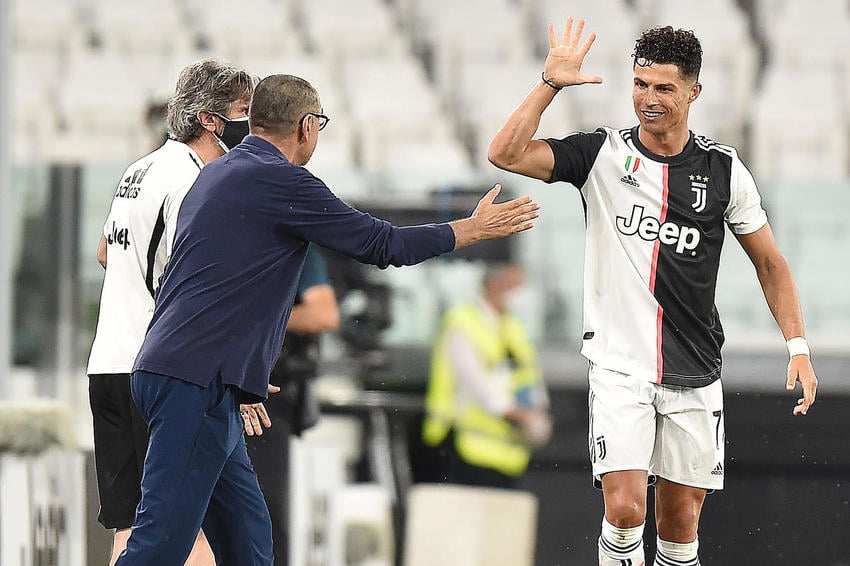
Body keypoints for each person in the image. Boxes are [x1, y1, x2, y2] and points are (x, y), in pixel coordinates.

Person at [115, 73, 540, 565]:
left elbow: (201, 284)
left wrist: (241, 370)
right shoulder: (281, 181)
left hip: (192, 376)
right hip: (196, 381)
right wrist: (468, 230)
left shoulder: (218, 173)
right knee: (159, 546)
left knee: (248, 543)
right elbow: (383, 244)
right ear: (307, 127)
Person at [487, 20, 818, 566]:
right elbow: (505, 153)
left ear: (694, 91)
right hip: (619, 363)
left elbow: (770, 263)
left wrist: (798, 348)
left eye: (664, 87)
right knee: (623, 508)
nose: (649, 98)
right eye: (640, 84)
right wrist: (548, 85)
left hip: (695, 368)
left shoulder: (724, 171)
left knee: (680, 520)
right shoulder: (601, 155)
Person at [86, 58, 258, 565]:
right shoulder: (194, 181)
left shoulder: (138, 171)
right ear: (210, 119)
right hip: (162, 374)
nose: (250, 126)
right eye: (243, 113)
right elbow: (193, 285)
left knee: (129, 532)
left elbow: (104, 251)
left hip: (108, 364)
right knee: (187, 539)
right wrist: (233, 373)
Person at [246, 243, 340, 566]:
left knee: (264, 509)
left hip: (267, 395)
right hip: (220, 391)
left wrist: (251, 318)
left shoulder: (295, 250)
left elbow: (323, 313)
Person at [422, 263, 551, 489]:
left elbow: (529, 376)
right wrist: (522, 416)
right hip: (465, 447)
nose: (521, 294)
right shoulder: (462, 321)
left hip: (509, 454)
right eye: (514, 285)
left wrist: (538, 411)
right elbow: (477, 385)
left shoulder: (513, 327)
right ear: (493, 285)